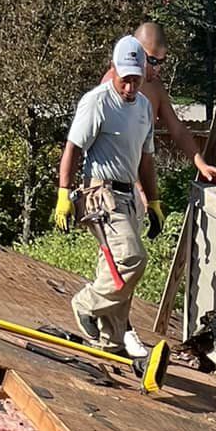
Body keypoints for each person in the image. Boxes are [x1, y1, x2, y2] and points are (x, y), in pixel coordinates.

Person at [56, 36, 161, 354]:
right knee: (132, 259)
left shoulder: (143, 107)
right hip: (99, 193)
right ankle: (85, 304)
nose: (130, 88)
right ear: (113, 69)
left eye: (136, 80)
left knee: (114, 271)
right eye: (124, 79)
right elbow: (73, 149)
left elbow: (146, 159)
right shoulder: (97, 101)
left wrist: (154, 202)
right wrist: (63, 193)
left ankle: (108, 343)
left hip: (129, 198)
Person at [121, 20, 216, 190]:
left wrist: (201, 164)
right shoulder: (114, 86)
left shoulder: (155, 87)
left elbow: (177, 129)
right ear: (136, 52)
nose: (158, 68)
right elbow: (116, 144)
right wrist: (138, 188)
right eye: (152, 61)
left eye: (161, 61)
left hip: (138, 179)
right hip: (112, 184)